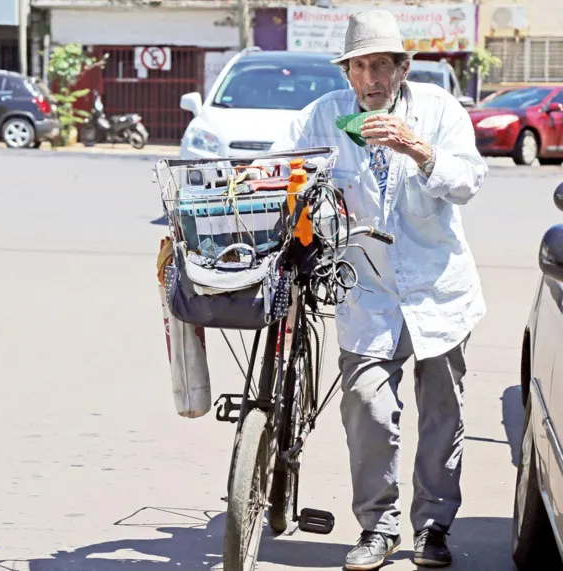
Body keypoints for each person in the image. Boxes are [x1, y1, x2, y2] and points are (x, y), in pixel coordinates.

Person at [270, 9, 488, 571]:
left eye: (381, 66)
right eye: (360, 66)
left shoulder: (439, 111)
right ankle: (378, 526)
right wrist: (273, 183)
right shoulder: (324, 116)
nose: (371, 79)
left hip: (437, 290)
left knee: (442, 414)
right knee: (367, 407)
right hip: (366, 293)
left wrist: (420, 151)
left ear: (402, 68)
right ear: (347, 72)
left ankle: (434, 527)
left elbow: (469, 181)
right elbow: (281, 167)